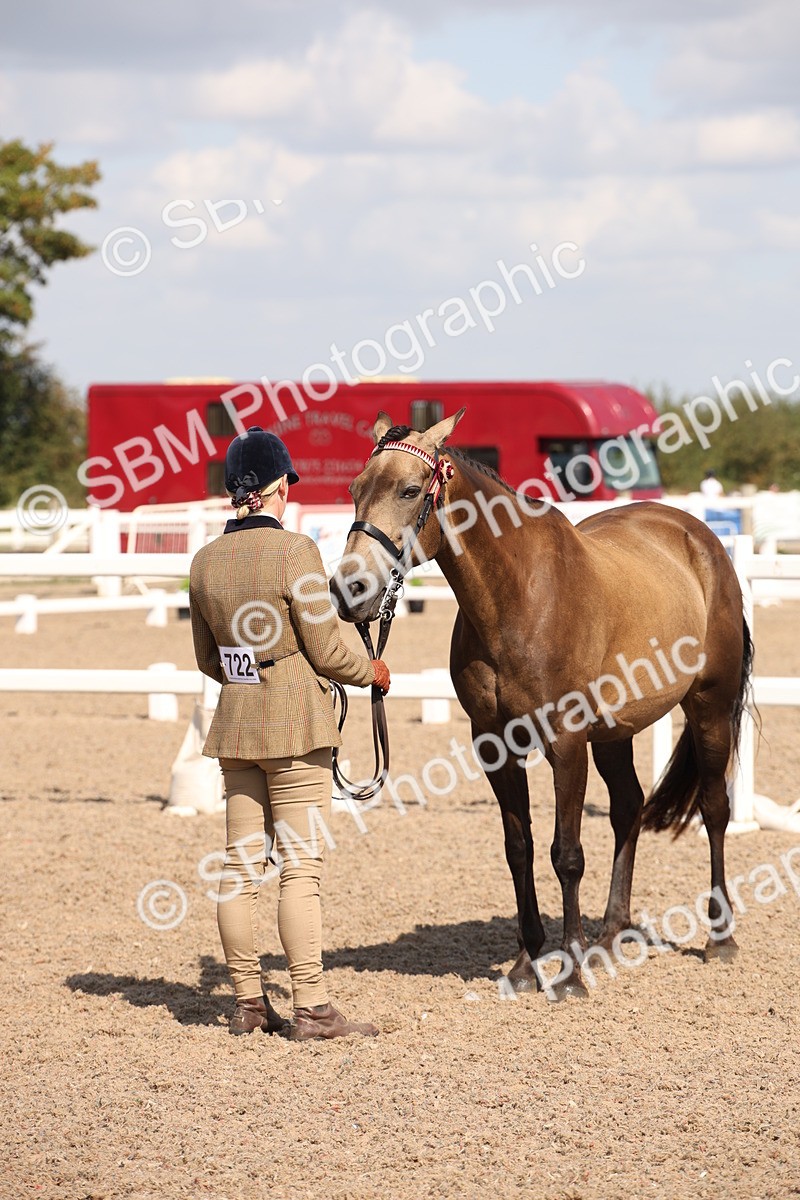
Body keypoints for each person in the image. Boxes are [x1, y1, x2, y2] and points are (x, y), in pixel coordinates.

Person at [189, 426, 390, 1040]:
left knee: (240, 867)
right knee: (301, 868)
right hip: (296, 726)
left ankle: (249, 1003)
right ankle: (312, 1008)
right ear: (278, 486)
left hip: (237, 726)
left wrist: (253, 662)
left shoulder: (204, 561)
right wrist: (372, 671)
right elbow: (328, 648)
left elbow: (207, 658)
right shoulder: (296, 551)